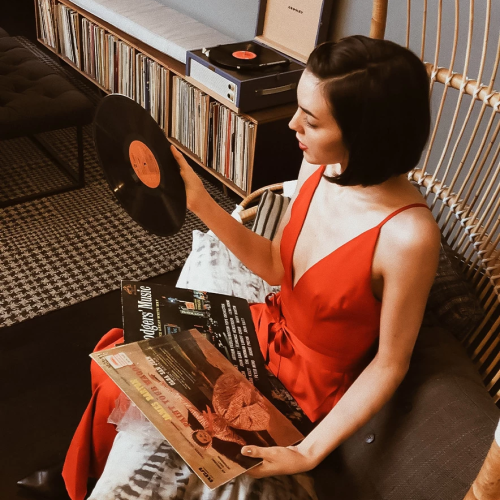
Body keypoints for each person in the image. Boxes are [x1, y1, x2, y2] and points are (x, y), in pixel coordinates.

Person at [20, 34, 441, 499]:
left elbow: (390, 364)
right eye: (298, 107)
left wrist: (308, 453)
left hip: (300, 393)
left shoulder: (409, 238)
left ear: (366, 134)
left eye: (312, 120)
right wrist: (201, 201)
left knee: (158, 394)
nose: (293, 125)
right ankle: (82, 479)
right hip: (260, 331)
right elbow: (276, 267)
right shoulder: (321, 169)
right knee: (125, 352)